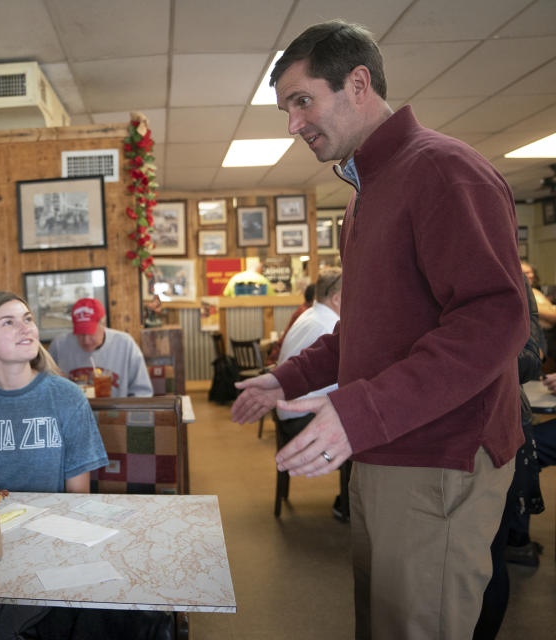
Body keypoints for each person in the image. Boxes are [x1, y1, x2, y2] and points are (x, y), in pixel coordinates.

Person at [230, 21, 527, 639]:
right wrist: (284, 379)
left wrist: (360, 411)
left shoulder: (443, 171)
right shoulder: (365, 196)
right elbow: (360, 329)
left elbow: (495, 318)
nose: (292, 125)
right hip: (384, 449)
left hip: (439, 456)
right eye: (286, 109)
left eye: (301, 101)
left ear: (357, 83)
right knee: (384, 622)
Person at [0, 292, 114, 638]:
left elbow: (78, 502)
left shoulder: (67, 397)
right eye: (8, 322)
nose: (25, 328)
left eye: (28, 318)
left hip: (52, 545)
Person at [474, 275, 544, 638]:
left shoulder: (514, 281)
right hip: (433, 441)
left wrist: (474, 354)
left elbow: (532, 358)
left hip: (499, 432)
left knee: (489, 558)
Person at [274, 269, 348, 520]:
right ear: (337, 298)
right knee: (361, 426)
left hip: (287, 413)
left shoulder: (309, 315)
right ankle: (348, 507)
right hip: (298, 419)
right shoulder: (327, 324)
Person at [48, 298, 153, 398]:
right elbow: (45, 387)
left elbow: (142, 392)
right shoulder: (59, 346)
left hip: (116, 413)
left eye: (91, 333)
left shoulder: (125, 344)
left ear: (103, 324)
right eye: (80, 334)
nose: (86, 341)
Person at [266, 283, 315, 365]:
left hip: (280, 357)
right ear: (315, 298)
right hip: (281, 362)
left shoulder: (303, 309)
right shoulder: (307, 313)